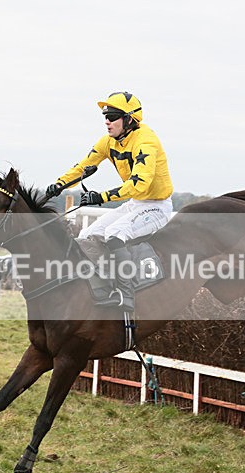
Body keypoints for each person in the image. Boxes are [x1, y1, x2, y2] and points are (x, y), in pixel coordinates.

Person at [45, 91, 174, 312]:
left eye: (113, 115)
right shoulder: (108, 142)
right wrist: (59, 185)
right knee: (85, 237)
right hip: (136, 204)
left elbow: (138, 185)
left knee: (114, 234)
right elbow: (82, 167)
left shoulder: (146, 142)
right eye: (105, 115)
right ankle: (104, 285)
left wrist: (100, 197)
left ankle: (127, 295)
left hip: (156, 206)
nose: (107, 120)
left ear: (130, 119)